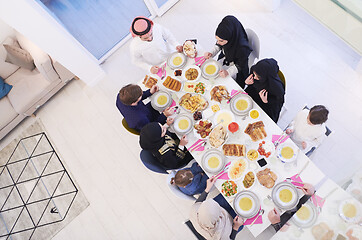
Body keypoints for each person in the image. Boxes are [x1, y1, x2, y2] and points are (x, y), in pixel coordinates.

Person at [204, 15, 252, 88]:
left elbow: (241, 65)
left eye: (221, 41)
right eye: (217, 40)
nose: (218, 42)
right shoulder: (228, 38)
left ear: (230, 37)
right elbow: (219, 45)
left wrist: (228, 72)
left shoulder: (242, 48)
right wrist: (211, 52)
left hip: (236, 68)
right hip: (226, 60)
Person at [245, 58, 285, 123]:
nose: (254, 77)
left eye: (257, 77)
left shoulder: (277, 89)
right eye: (254, 74)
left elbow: (277, 105)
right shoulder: (256, 70)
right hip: (253, 94)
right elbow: (251, 82)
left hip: (267, 104)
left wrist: (266, 101)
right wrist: (247, 82)